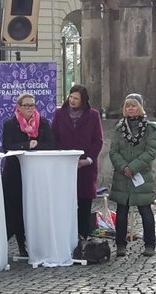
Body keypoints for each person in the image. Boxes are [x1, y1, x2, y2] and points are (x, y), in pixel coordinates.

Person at [2, 93, 54, 257]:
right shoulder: (11, 124)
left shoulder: (43, 123)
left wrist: (37, 144)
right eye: (26, 105)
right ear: (19, 107)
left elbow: (51, 144)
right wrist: (26, 144)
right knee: (14, 210)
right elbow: (8, 146)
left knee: (32, 209)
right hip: (14, 174)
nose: (30, 108)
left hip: (36, 176)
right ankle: (17, 243)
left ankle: (31, 244)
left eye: (32, 105)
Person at [52, 84, 103, 239]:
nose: (72, 100)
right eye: (71, 97)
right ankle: (66, 235)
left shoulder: (93, 115)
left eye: (76, 98)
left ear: (83, 101)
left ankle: (82, 236)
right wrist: (63, 157)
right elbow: (54, 137)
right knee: (65, 203)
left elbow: (98, 141)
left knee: (84, 202)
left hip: (85, 167)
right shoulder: (60, 114)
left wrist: (88, 160)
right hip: (64, 166)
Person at [109, 93, 156, 257]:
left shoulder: (149, 128)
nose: (130, 108)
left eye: (134, 105)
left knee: (145, 211)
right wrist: (124, 167)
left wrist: (134, 167)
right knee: (121, 212)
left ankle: (150, 244)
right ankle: (120, 244)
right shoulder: (119, 127)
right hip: (123, 176)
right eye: (128, 105)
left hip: (141, 176)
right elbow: (113, 151)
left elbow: (151, 150)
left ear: (140, 107)